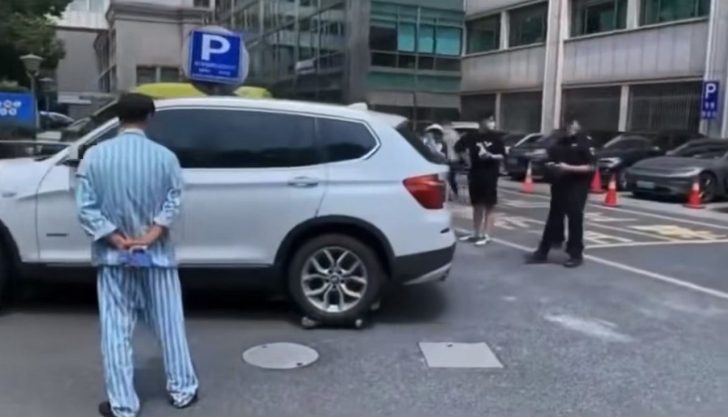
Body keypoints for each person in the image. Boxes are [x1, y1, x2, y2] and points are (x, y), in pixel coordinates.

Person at [76, 93, 199, 417]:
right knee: (169, 324)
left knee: (116, 331)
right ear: (149, 117)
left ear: (117, 118)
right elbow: (173, 201)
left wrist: (117, 239)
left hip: (113, 257)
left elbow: (85, 208)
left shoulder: (94, 157)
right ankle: (183, 390)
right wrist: (149, 236)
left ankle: (123, 405)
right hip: (156, 255)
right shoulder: (165, 158)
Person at [526, 120, 595, 268]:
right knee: (554, 217)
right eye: (568, 124)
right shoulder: (560, 141)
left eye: (573, 124)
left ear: (579, 126)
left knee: (575, 218)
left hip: (577, 186)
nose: (570, 128)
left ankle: (575, 254)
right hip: (560, 184)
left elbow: (591, 167)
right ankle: (543, 251)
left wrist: (569, 168)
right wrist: (551, 166)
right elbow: (551, 158)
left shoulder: (584, 142)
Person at [454, 115, 506, 246]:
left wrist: (491, 156)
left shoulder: (496, 137)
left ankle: (486, 234)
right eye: (489, 120)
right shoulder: (472, 136)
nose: (492, 123)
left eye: (493, 120)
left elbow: (503, 155)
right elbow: (458, 147)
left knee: (489, 204)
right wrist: (467, 160)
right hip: (475, 173)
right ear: (481, 121)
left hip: (490, 174)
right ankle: (476, 232)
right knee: (476, 204)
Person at [440, 120, 463, 199]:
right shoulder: (455, 135)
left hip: (448, 159)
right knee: (451, 177)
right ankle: (453, 193)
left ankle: (451, 193)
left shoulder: (444, 135)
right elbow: (458, 147)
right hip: (453, 159)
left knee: (448, 177)